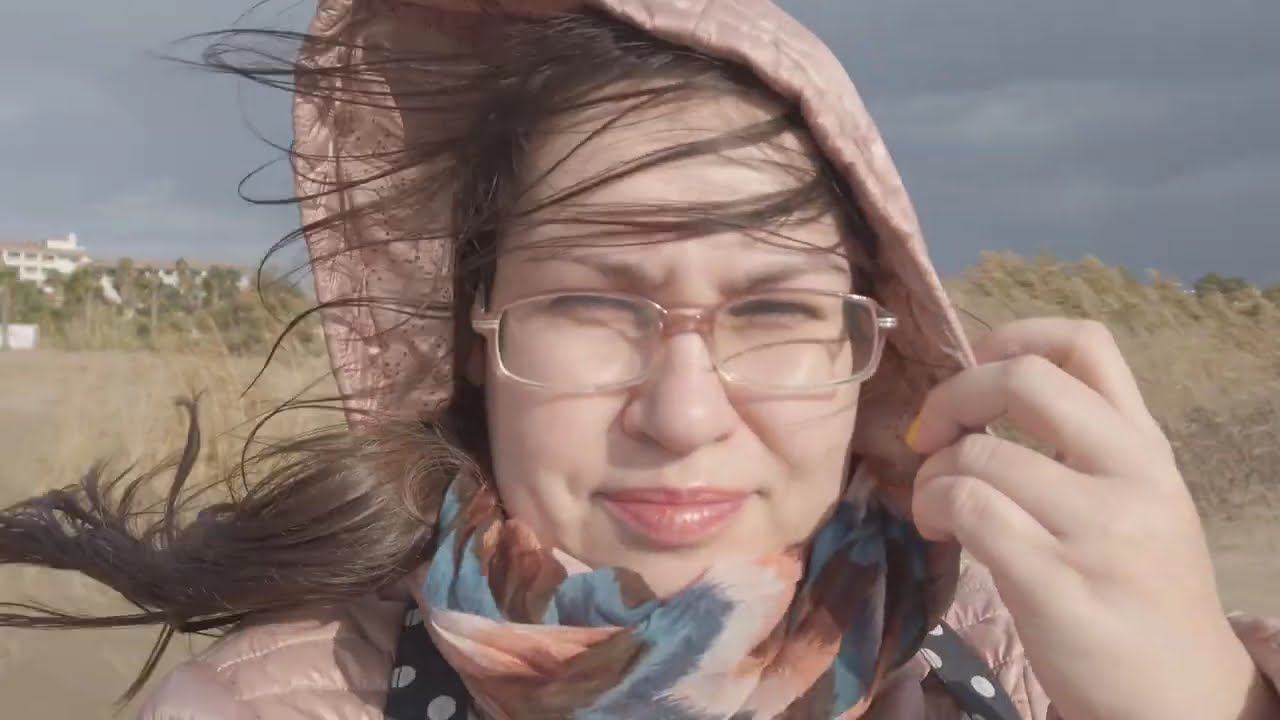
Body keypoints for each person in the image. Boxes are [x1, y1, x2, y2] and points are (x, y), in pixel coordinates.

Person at [2, 1, 1277, 718]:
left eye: (772, 311)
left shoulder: (1037, 650)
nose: (681, 413)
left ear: (872, 351)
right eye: (588, 306)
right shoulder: (282, 705)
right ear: (474, 341)